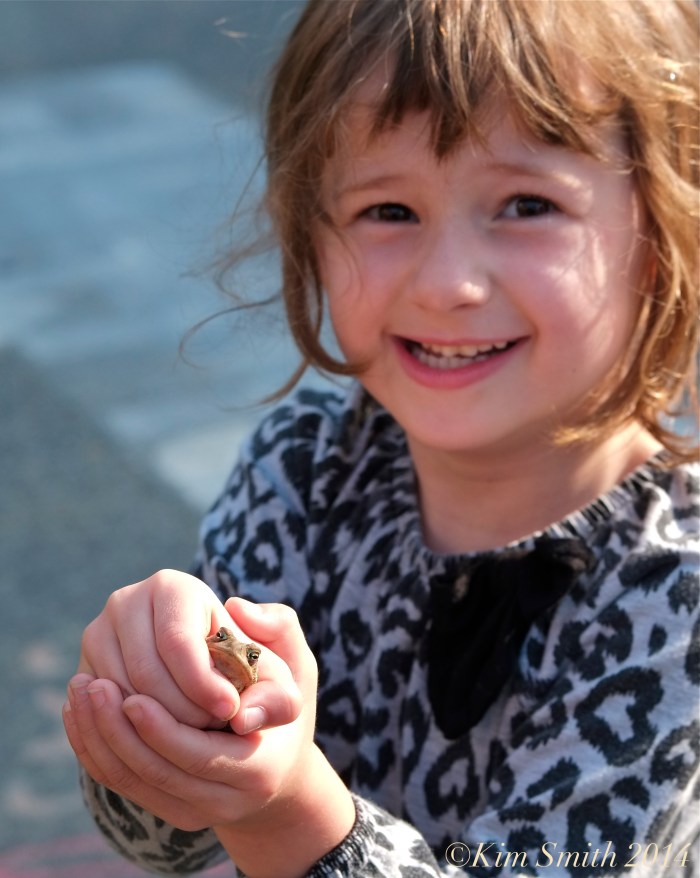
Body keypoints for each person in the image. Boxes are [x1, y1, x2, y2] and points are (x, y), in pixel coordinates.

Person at [63, 1, 699, 875]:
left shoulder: (678, 600)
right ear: (310, 237)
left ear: (664, 236)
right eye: (388, 210)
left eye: (526, 203)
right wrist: (156, 713)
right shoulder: (307, 472)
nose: (447, 284)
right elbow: (163, 846)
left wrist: (290, 813)